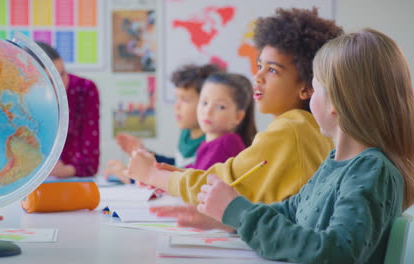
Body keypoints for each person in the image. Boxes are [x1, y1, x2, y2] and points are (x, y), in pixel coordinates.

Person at [196, 28, 414, 263]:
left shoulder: (371, 170)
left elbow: (334, 253)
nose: (309, 97)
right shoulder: (337, 162)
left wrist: (240, 213)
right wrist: (231, 216)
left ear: (334, 101)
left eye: (314, 88)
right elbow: (291, 212)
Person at [125, 8, 339, 206]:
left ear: (306, 86)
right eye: (259, 66)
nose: (258, 76)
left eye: (272, 70)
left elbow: (221, 187)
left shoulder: (291, 130)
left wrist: (153, 176)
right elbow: (234, 179)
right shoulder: (308, 128)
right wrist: (171, 174)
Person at [105, 64, 222, 180]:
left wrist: (132, 178)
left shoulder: (213, 141)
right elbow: (178, 166)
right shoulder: (186, 132)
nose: (176, 106)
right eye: (177, 98)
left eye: (185, 100)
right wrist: (148, 155)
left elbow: (191, 180)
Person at [34, 42, 100, 178]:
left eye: (62, 74)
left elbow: (91, 162)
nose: (61, 85)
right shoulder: (23, 98)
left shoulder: (85, 89)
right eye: (51, 81)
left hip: (73, 180)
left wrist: (65, 171)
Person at [181, 72, 256, 170]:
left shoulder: (228, 143)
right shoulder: (208, 143)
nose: (208, 112)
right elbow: (194, 173)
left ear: (238, 116)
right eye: (204, 103)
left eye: (220, 107)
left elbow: (200, 180)